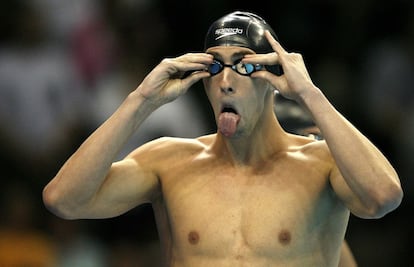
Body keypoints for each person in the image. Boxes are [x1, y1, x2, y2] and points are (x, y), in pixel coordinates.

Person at [43, 11, 403, 266]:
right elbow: (64, 200)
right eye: (215, 65)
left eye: (244, 65)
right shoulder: (169, 163)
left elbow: (383, 198)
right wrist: (141, 101)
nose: (225, 80)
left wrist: (309, 94)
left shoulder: (322, 163)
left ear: (271, 74)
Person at [275, 93, 357, 267]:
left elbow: (384, 196)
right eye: (311, 141)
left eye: (323, 141)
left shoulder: (321, 227)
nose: (324, 153)